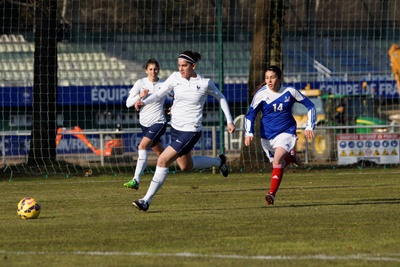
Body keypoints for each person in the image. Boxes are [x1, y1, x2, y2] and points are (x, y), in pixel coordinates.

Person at [131, 50, 236, 211]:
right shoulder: (174, 78)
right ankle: (218, 161)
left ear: (193, 66)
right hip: (176, 128)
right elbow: (159, 94)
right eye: (179, 65)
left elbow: (221, 98)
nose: (181, 69)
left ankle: (146, 200)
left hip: (191, 130)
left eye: (184, 66)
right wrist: (143, 101)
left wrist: (229, 120)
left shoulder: (204, 83)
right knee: (186, 166)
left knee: (162, 160)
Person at [244, 65, 316, 205]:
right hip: (267, 136)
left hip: (286, 132)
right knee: (278, 164)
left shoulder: (290, 91)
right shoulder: (261, 94)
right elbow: (250, 115)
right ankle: (291, 157)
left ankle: (271, 194)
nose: (269, 81)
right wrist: (248, 132)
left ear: (280, 78)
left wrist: (309, 126)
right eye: (266, 78)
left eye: (272, 77)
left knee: (277, 161)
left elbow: (310, 106)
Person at [123, 58, 168, 190]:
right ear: (146, 71)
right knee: (163, 154)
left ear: (158, 70)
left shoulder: (164, 84)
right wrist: (139, 96)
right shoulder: (140, 83)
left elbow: (175, 97)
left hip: (158, 122)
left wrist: (173, 108)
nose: (153, 72)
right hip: (144, 124)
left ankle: (136, 179)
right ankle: (182, 163)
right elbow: (128, 103)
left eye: (155, 69)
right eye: (150, 69)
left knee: (142, 146)